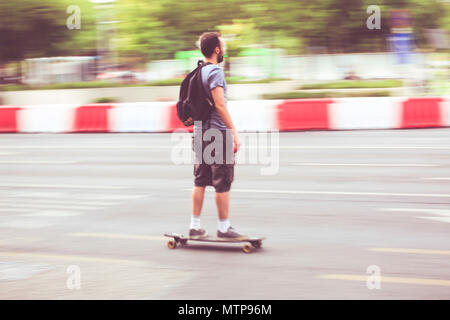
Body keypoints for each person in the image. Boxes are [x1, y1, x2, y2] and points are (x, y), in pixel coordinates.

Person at [189, 31, 245, 239]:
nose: (225, 50)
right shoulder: (215, 72)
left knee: (200, 180)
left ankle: (194, 226)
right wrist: (233, 131)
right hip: (217, 133)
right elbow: (220, 105)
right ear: (216, 50)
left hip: (199, 132)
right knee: (222, 181)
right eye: (223, 46)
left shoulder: (197, 71)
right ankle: (224, 228)